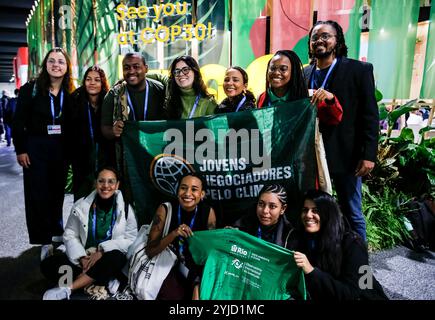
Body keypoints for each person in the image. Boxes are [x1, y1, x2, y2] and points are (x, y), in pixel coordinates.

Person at [304, 20, 379, 241]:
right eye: (315, 37)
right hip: (313, 156)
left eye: (326, 36)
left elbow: (370, 115)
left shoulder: (359, 70)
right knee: (317, 210)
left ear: (337, 41)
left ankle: (360, 267)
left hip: (346, 154)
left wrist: (368, 155)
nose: (320, 40)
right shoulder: (304, 73)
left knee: (351, 212)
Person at [41, 166, 138, 300]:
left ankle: (68, 288)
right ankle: (97, 280)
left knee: (117, 257)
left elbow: (131, 240)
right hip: (83, 259)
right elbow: (70, 234)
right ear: (95, 183)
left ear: (117, 185)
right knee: (49, 264)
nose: (106, 186)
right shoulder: (80, 205)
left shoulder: (126, 209)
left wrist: (102, 251)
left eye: (111, 181)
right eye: (101, 181)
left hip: (107, 258)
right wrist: (81, 258)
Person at [12, 47, 75, 250]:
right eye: (52, 61)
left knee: (57, 193)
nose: (56, 65)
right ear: (45, 65)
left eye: (60, 62)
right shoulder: (30, 90)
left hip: (60, 150)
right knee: (38, 194)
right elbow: (18, 122)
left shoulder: (70, 94)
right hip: (35, 150)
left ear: (67, 67)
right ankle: (43, 239)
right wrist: (20, 149)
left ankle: (56, 232)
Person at [291, 189, 388, 300]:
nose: (308, 215)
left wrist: (311, 271)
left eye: (315, 210)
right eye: (305, 210)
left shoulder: (353, 244)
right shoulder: (305, 237)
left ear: (328, 213)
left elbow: (351, 293)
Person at [100, 52, 166, 204]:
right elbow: (104, 128)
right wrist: (113, 131)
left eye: (136, 67)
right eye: (126, 67)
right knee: (130, 203)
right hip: (127, 162)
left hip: (156, 159)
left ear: (146, 68)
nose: (131, 71)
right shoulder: (115, 94)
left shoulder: (160, 91)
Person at [145, 172, 217, 300]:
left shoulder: (208, 213)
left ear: (202, 195)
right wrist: (173, 234)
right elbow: (150, 251)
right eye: (183, 188)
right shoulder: (165, 210)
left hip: (193, 268)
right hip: (166, 266)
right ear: (178, 191)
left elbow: (210, 253)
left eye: (194, 189)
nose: (187, 193)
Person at [68, 66, 110, 201]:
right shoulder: (74, 100)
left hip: (105, 160)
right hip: (81, 162)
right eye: (88, 79)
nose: (92, 83)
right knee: (82, 203)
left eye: (97, 80)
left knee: (105, 202)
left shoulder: (109, 101)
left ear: (102, 83)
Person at [232, 184, 294, 249]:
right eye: (261, 204)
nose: (265, 211)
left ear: (282, 209)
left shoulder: (291, 236)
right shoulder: (241, 227)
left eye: (272, 206)